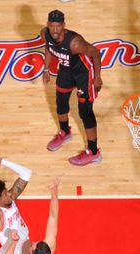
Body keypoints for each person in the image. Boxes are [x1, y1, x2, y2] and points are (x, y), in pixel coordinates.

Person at [42, 10, 103, 166]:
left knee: (85, 111)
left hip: (84, 74)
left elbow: (96, 53)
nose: (55, 30)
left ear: (64, 26)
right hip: (66, 70)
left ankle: (93, 152)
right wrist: (46, 69)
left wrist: (97, 78)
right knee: (60, 102)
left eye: (58, 27)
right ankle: (65, 132)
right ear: (48, 25)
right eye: (52, 26)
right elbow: (48, 48)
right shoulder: (46, 34)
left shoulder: (75, 43)